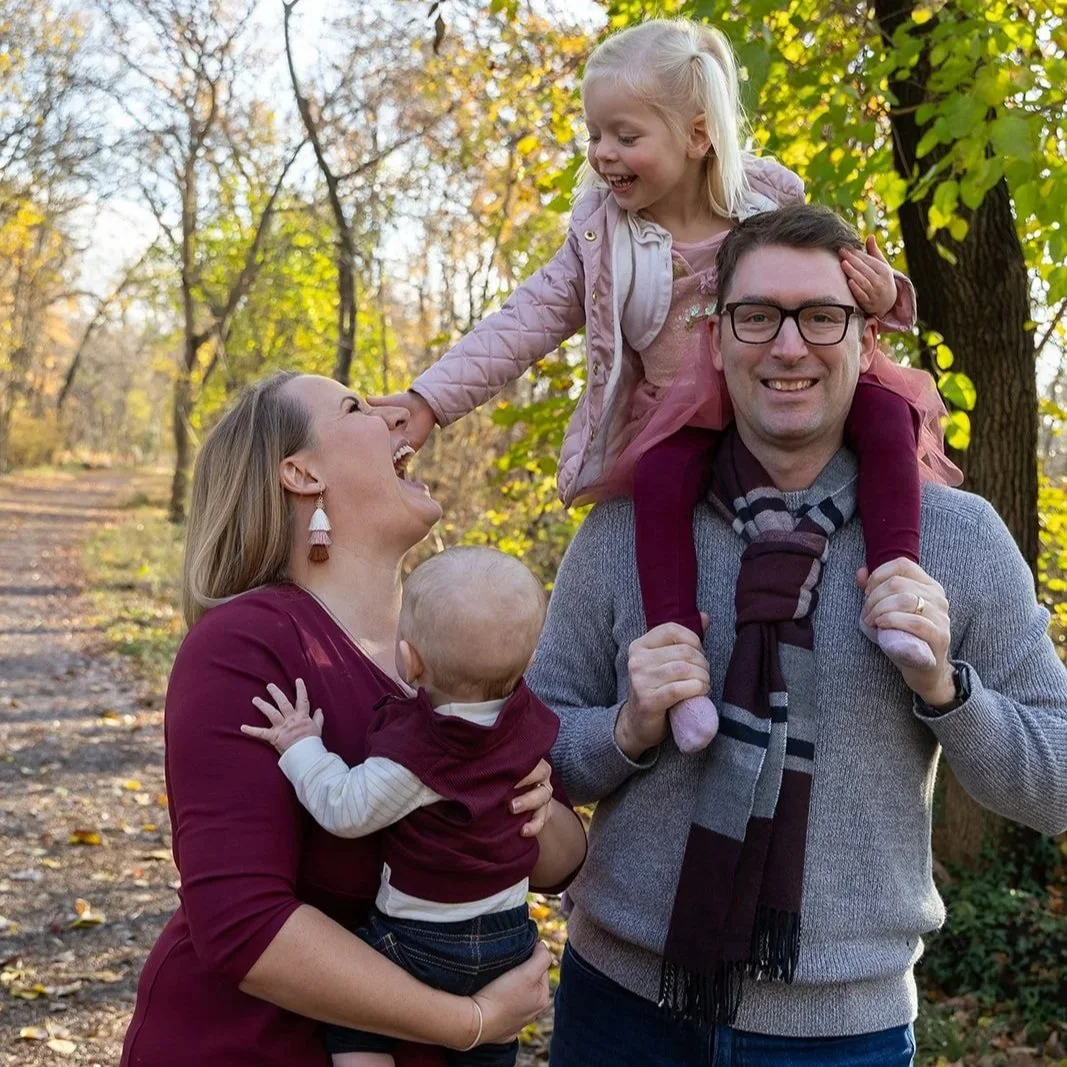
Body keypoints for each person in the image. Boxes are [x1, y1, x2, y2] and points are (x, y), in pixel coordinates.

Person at [527, 203, 1067, 1067]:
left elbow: (1057, 781)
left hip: (842, 1033)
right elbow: (531, 752)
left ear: (863, 338)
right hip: (620, 1010)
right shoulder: (624, 532)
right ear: (715, 337)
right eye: (757, 315)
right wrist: (625, 729)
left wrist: (948, 691)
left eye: (821, 316)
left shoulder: (957, 538)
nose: (788, 347)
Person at [371, 18, 960, 756]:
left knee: (883, 413)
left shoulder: (767, 201)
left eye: (623, 135)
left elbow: (841, 290)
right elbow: (519, 323)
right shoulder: (601, 237)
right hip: (679, 413)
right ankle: (675, 652)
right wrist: (428, 401)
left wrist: (887, 293)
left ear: (697, 134)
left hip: (779, 386)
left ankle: (897, 576)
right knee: (657, 482)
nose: (601, 155)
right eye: (593, 135)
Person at [120, 373, 585, 1067]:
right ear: (301, 472)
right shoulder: (244, 645)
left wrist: (533, 802)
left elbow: (557, 862)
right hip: (256, 1048)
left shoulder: (458, 649)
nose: (399, 417)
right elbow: (244, 925)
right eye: (356, 408)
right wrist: (468, 1019)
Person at [242, 546, 584, 1067]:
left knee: (350, 1012)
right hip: (510, 937)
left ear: (410, 659)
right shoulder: (526, 723)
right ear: (529, 659)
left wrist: (301, 745)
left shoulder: (425, 753)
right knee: (491, 1052)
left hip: (425, 938)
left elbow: (346, 808)